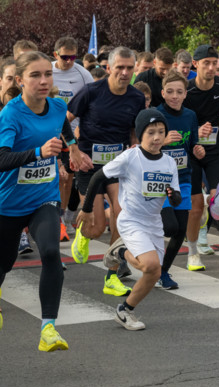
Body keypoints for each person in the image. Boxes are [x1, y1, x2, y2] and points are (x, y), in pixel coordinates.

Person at [0, 52, 88, 350]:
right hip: (8, 203)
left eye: (46, 75)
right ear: (21, 80)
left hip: (43, 197)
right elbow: (1, 159)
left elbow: (61, 128)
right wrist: (38, 153)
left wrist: (73, 148)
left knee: (51, 252)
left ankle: (48, 328)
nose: (43, 81)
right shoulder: (11, 114)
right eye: (35, 75)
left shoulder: (58, 105)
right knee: (4, 264)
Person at [82, 109, 180, 330]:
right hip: (131, 220)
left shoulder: (169, 162)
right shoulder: (130, 157)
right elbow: (99, 176)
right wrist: (87, 208)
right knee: (151, 264)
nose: (156, 138)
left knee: (153, 272)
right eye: (151, 132)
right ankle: (120, 252)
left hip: (153, 222)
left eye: (161, 132)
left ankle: (124, 311)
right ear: (139, 135)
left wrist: (174, 197)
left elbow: (175, 197)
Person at [67, 47, 146, 294]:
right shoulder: (91, 92)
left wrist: (134, 144)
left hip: (118, 164)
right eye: (120, 67)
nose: (124, 73)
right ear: (109, 67)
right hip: (89, 164)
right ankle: (83, 231)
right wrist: (74, 151)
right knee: (97, 227)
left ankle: (112, 274)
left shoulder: (135, 97)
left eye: (129, 68)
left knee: (123, 216)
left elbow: (134, 129)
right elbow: (63, 119)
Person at [185, 44, 219, 268]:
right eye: (206, 63)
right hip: (192, 151)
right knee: (196, 206)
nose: (211, 67)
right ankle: (193, 251)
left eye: (214, 63)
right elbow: (175, 124)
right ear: (195, 64)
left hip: (215, 149)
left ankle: (214, 204)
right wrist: (195, 132)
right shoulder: (185, 90)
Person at [157, 71, 206, 289]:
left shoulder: (190, 116)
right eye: (170, 92)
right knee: (169, 227)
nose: (174, 96)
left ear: (185, 94)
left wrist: (198, 150)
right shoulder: (156, 114)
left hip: (183, 177)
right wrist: (163, 140)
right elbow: (144, 146)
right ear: (163, 93)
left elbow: (193, 145)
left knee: (180, 231)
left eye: (179, 92)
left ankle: (163, 272)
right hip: (159, 180)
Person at [50, 36, 94, 236]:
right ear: (55, 54)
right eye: (64, 57)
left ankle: (64, 217)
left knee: (67, 178)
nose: (69, 61)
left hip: (72, 133)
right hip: (48, 131)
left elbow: (92, 103)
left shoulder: (84, 75)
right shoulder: (47, 71)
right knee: (54, 177)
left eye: (73, 57)